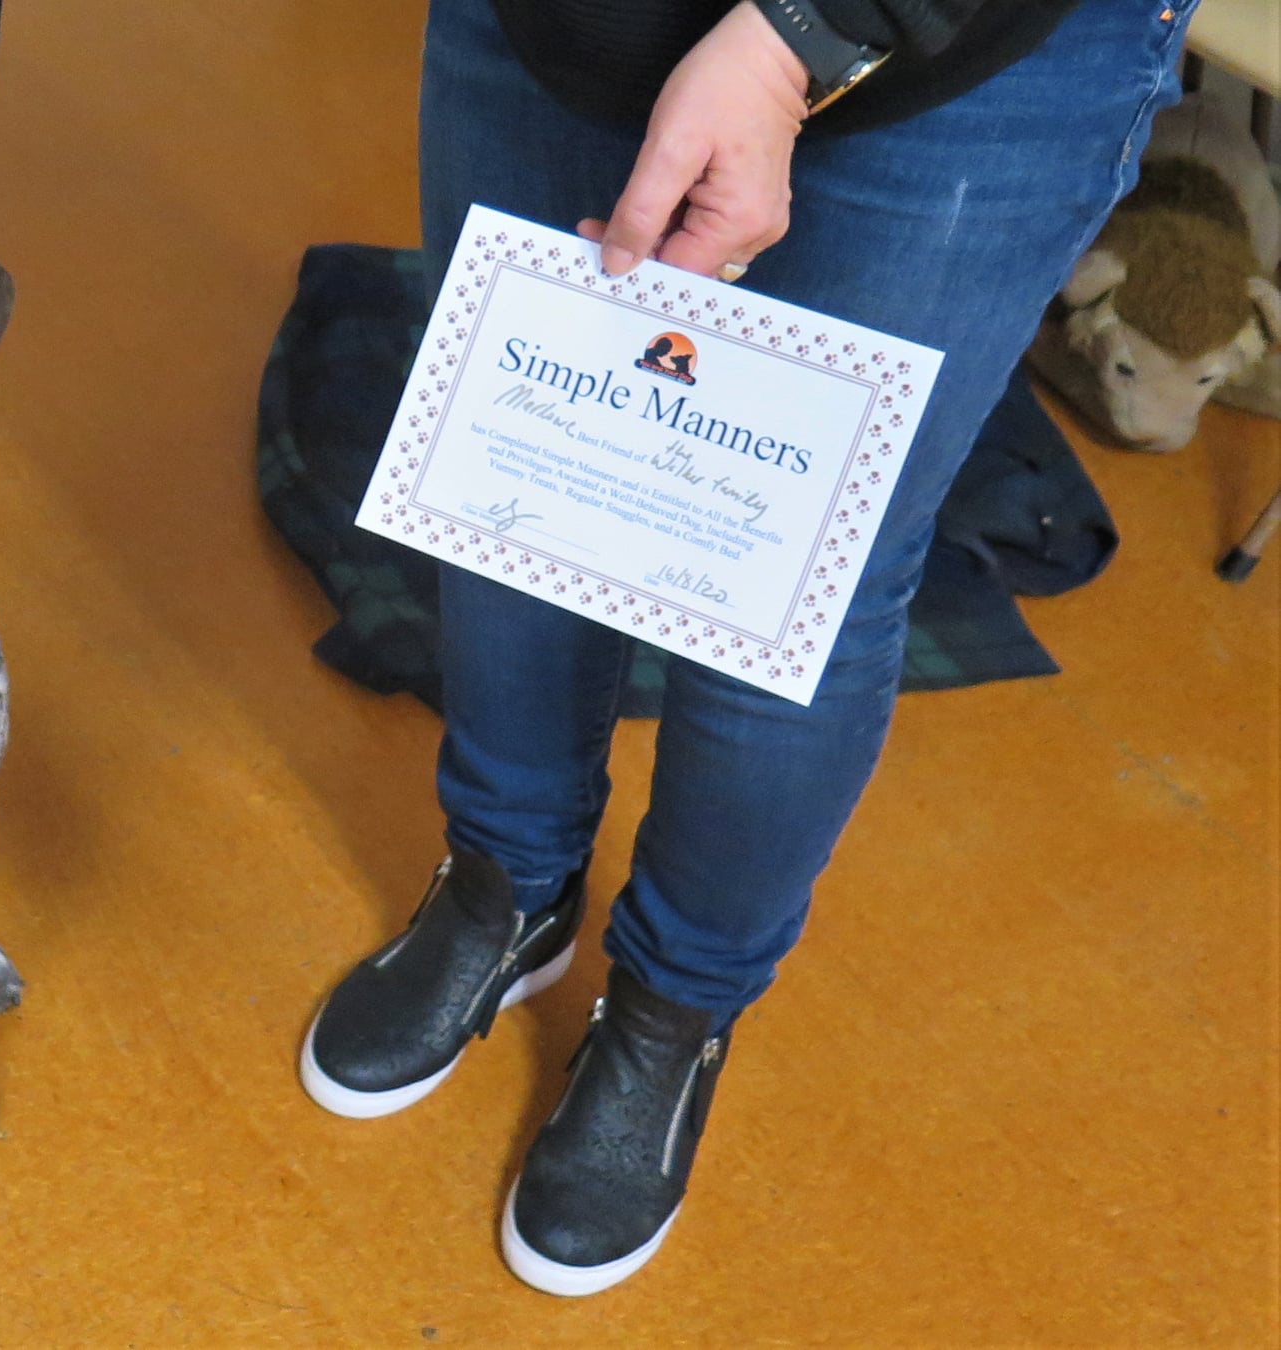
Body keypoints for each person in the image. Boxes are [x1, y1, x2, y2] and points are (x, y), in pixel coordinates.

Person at [297, 0, 1193, 1297]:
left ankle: (670, 1011)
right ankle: (505, 883)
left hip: (984, 55)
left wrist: (799, 37)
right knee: (516, 456)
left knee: (798, 585)